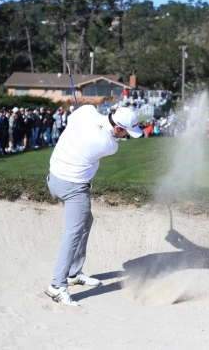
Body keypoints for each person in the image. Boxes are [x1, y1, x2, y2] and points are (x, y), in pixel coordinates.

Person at [44, 105, 143, 306]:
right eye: (126, 133)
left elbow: (75, 117)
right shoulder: (108, 144)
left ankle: (74, 273)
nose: (126, 137)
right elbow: (106, 136)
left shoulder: (87, 111)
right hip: (73, 187)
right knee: (73, 233)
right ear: (118, 129)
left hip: (54, 178)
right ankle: (57, 285)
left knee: (86, 221)